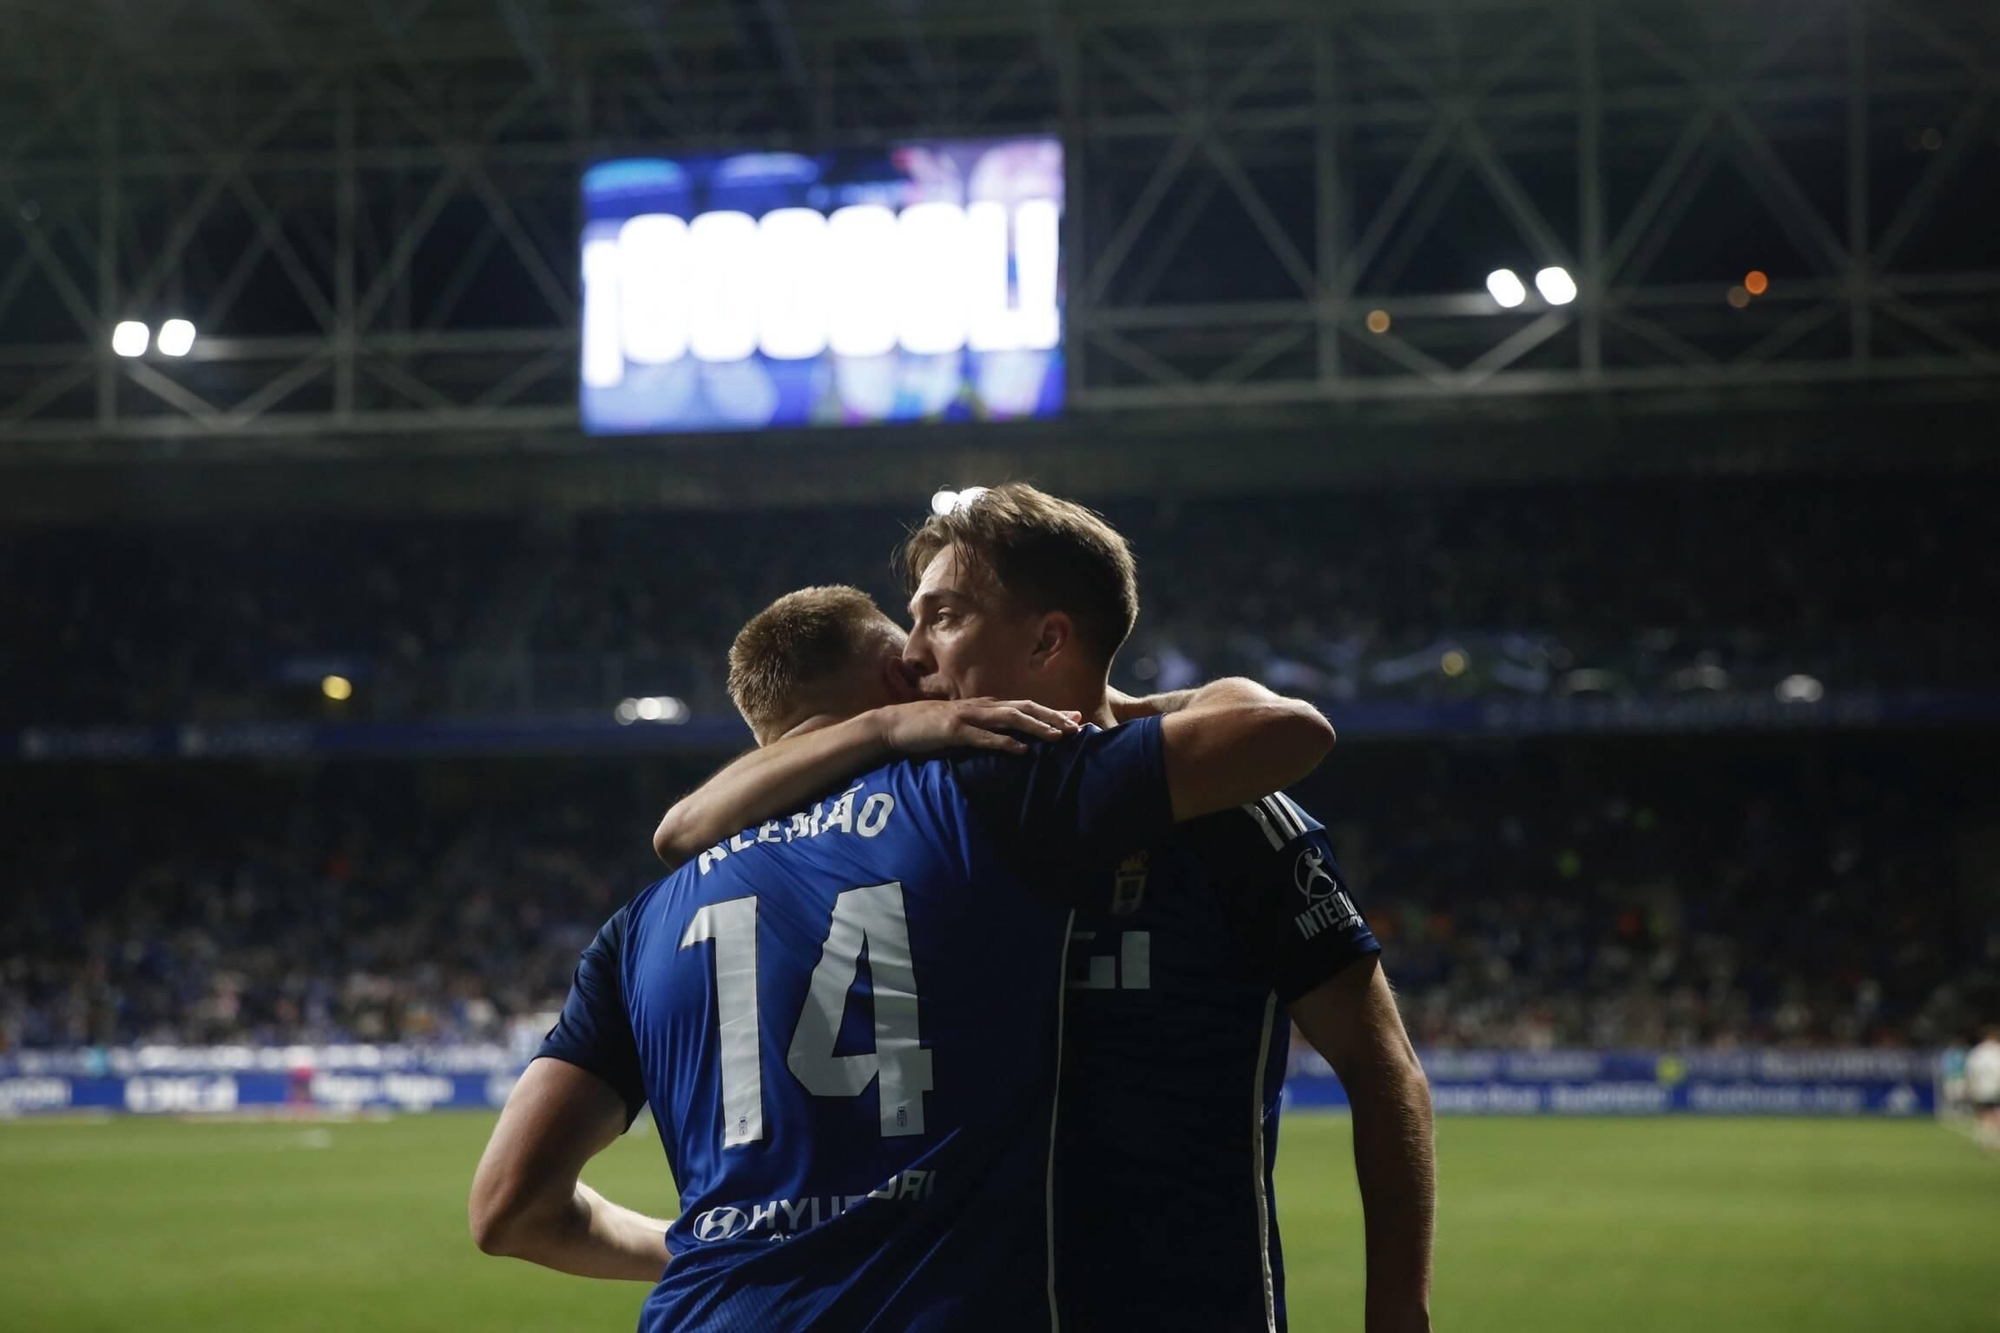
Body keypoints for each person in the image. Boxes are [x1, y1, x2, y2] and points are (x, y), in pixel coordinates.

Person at [653, 485, 1435, 1333]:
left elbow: (1381, 1064)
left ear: (1047, 637)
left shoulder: (1233, 819)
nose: (912, 658)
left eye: (942, 617)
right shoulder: (928, 810)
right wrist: (885, 731)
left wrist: (1398, 1315)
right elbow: (685, 826)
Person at [469, 585, 1339, 1331]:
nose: (934, 665)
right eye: (914, 656)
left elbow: (508, 1207)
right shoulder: (975, 798)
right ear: (895, 679)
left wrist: (718, 1240)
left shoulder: (639, 924)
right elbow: (1275, 733)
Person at [1967, 1026, 2000, 1150]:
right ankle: (1994, 1140)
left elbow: (1970, 1071)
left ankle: (1985, 1139)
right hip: (1996, 1087)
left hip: (1980, 1087)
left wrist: (1970, 1086)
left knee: (1984, 1114)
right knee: (1995, 1113)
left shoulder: (1976, 1052)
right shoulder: (1997, 1051)